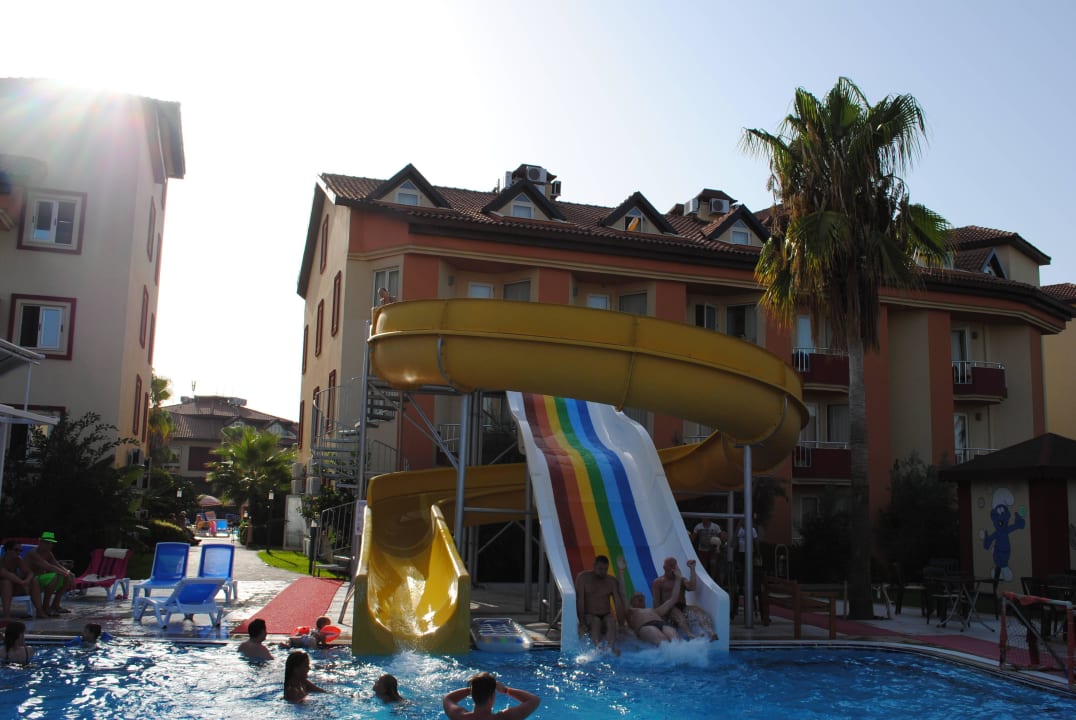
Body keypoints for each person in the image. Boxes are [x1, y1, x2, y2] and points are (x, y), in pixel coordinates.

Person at [615, 556, 684, 646]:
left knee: (676, 642)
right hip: (645, 626)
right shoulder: (630, 611)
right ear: (631, 602)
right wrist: (621, 572)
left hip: (661, 624)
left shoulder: (655, 611)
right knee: (664, 643)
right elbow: (623, 593)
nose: (640, 597)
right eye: (637, 597)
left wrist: (678, 579)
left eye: (642, 597)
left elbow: (673, 599)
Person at [574, 555, 625, 654]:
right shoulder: (583, 578)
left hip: (606, 614)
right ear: (594, 566)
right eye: (600, 569)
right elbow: (580, 601)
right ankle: (597, 647)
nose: (603, 572)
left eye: (605, 569)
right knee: (595, 621)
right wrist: (581, 622)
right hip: (590, 615)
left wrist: (622, 624)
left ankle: (611, 647)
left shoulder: (611, 581)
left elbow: (617, 603)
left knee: (611, 620)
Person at [442, 672, 540, 720]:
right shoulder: (505, 718)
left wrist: (472, 689)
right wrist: (506, 690)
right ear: (491, 698)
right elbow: (534, 700)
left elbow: (448, 698)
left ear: (472, 695)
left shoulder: (459, 717)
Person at [24, 531, 74, 616]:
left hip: (41, 578)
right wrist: (66, 573)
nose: (49, 545)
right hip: (32, 579)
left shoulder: (48, 553)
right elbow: (49, 567)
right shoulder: (33, 553)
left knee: (65, 577)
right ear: (40, 542)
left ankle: (55, 605)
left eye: (51, 543)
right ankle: (45, 607)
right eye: (47, 543)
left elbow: (57, 565)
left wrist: (69, 574)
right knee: (54, 576)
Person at [651, 557, 699, 638]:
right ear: (664, 568)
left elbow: (692, 587)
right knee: (675, 612)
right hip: (668, 610)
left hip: (682, 606)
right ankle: (689, 633)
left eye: (674, 565)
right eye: (670, 565)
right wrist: (660, 617)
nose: (673, 568)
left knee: (697, 610)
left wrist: (692, 569)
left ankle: (710, 632)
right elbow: (656, 603)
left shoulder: (682, 579)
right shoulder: (658, 582)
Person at [0, 540, 46, 620]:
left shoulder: (18, 560)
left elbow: (30, 572)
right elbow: (5, 573)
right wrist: (22, 582)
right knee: (6, 582)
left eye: (20, 550)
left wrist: (27, 581)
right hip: (3, 588)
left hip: (15, 587)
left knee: (33, 580)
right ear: (8, 550)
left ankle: (39, 611)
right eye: (16, 550)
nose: (19, 552)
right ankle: (6, 615)